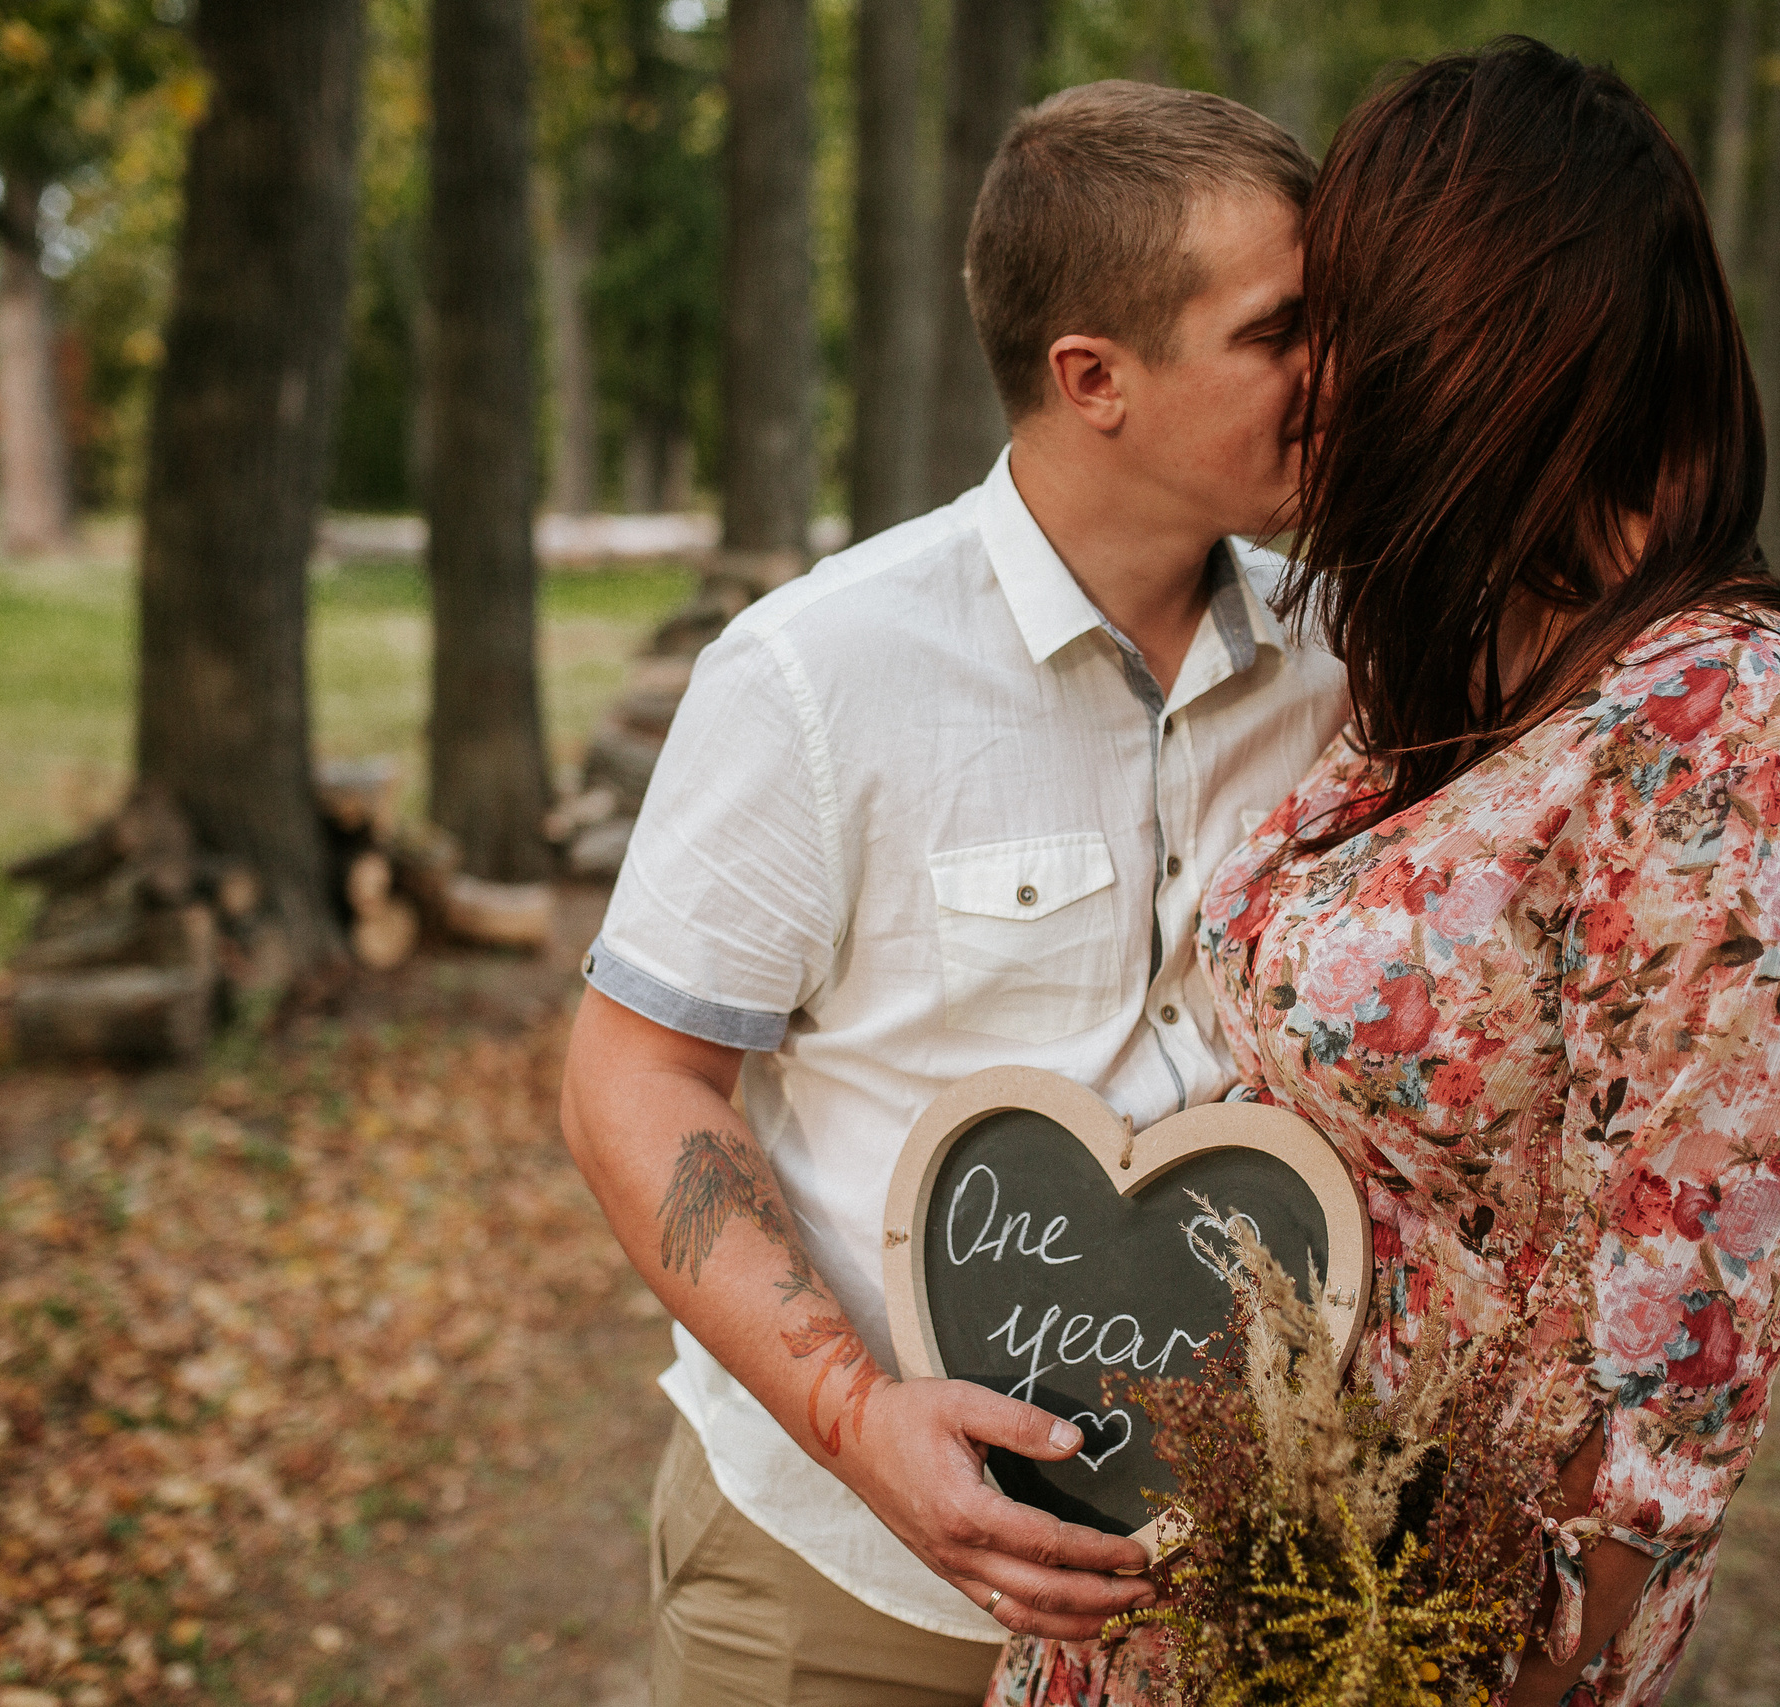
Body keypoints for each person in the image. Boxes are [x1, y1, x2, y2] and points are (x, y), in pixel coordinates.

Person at [988, 39, 1780, 1707]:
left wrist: (1466, 1673)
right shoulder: (1468, 651)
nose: (1317, 382)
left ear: (1478, 333)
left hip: (1408, 1642)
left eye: (1345, 322)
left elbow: (1677, 1350)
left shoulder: (1728, 732)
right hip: (1214, 1569)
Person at [558, 80, 1350, 1706]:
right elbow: (632, 1077)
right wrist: (858, 1423)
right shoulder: (814, 676)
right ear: (1093, 378)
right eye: (1281, 332)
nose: (1338, 372)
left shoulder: (1354, 658)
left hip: (1231, 1609)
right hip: (841, 1599)